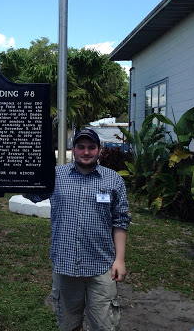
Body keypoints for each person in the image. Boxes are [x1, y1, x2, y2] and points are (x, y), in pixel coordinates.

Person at [47, 128, 130, 331]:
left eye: (91, 147)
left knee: (104, 326)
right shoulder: (55, 176)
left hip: (101, 268)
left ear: (99, 150)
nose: (86, 152)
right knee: (68, 326)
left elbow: (121, 221)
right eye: (81, 147)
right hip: (65, 266)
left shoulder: (113, 180)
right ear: (73, 150)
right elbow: (31, 193)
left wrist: (119, 260)